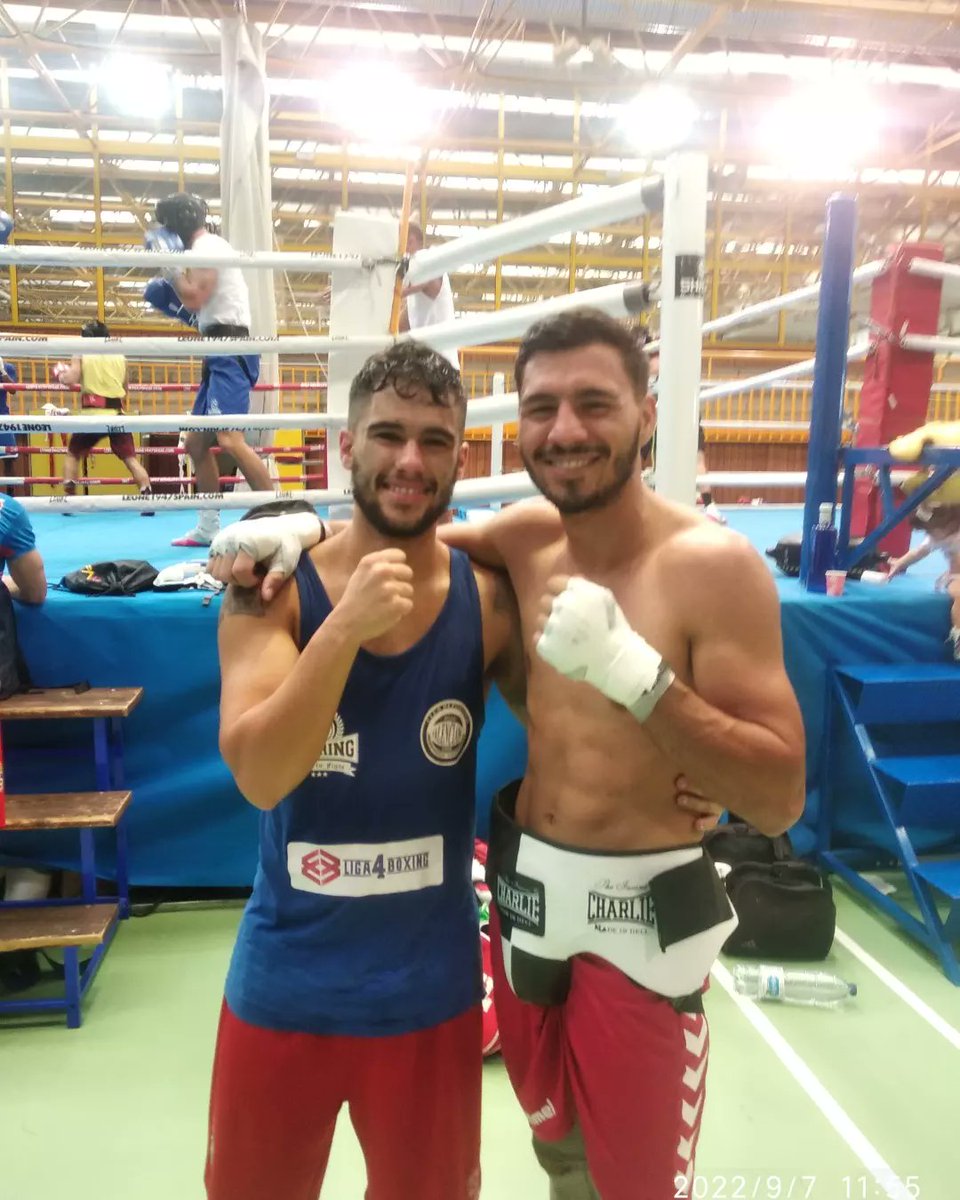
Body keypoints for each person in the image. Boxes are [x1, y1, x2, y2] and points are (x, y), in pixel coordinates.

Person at [206, 310, 804, 1199]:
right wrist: (299, 527)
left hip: (614, 937)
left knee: (628, 1182)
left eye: (594, 403)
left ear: (646, 413)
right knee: (561, 1158)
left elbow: (778, 795)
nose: (566, 431)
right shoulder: (514, 547)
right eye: (544, 407)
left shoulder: (702, 566)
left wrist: (646, 687)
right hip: (515, 926)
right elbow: (400, 532)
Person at [208, 342, 527, 1200]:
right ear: (346, 448)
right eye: (388, 435)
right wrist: (342, 628)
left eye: (435, 440)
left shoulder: (490, 603)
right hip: (285, 984)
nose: (410, 461)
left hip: (431, 995)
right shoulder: (266, 593)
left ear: (462, 455)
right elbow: (262, 775)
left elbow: (572, 733)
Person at [147, 192, 273, 547]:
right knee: (196, 444)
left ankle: (281, 516)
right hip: (216, 346)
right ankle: (207, 527)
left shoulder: (207, 248)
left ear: (175, 226)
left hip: (229, 347)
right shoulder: (202, 250)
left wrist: (169, 266)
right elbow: (201, 309)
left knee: (230, 439)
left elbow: (194, 297)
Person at [52, 321, 152, 499]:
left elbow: (71, 378)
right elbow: (125, 389)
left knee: (73, 453)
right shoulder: (120, 356)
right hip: (117, 415)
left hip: (92, 417)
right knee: (130, 459)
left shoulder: (82, 353)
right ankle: (146, 491)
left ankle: (69, 492)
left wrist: (60, 374)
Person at [639, 332, 727, 524]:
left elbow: (653, 367)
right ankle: (707, 506)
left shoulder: (664, 353)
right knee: (641, 457)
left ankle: (710, 506)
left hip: (676, 410)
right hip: (667, 409)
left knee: (697, 460)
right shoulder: (672, 352)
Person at [887, 502, 960, 660]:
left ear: (949, 524)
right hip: (956, 577)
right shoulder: (936, 539)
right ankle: (958, 635)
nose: (930, 535)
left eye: (931, 531)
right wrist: (900, 563)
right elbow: (917, 552)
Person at [400, 220, 461, 371]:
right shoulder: (414, 288)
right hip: (430, 365)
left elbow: (397, 292)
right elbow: (401, 327)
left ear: (409, 242)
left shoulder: (425, 262)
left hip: (440, 366)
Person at [0, 359, 20, 492]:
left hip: (3, 417)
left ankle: (11, 497)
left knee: (9, 459)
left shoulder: (8, 367)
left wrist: (2, 371)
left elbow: (13, 390)